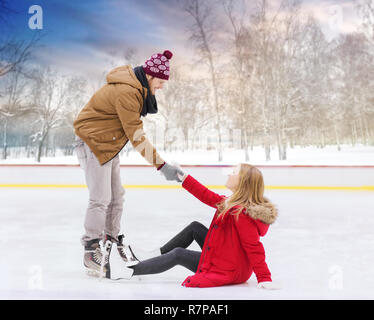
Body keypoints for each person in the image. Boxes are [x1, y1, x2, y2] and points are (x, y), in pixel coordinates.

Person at [73, 50, 184, 277]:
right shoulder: (127, 92)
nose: (162, 86)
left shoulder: (136, 89)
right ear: (150, 76)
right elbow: (137, 137)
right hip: (92, 142)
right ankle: (91, 251)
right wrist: (162, 166)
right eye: (161, 81)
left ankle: (110, 242)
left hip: (108, 144)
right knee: (100, 198)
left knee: (117, 196)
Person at [108, 163, 280, 289]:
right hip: (227, 258)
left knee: (178, 254)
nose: (229, 174)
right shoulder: (230, 203)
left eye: (233, 172)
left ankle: (128, 271)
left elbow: (253, 247)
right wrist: (182, 177)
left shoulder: (241, 214)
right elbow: (205, 195)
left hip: (229, 269)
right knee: (195, 227)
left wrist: (264, 277)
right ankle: (152, 255)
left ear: (243, 182)